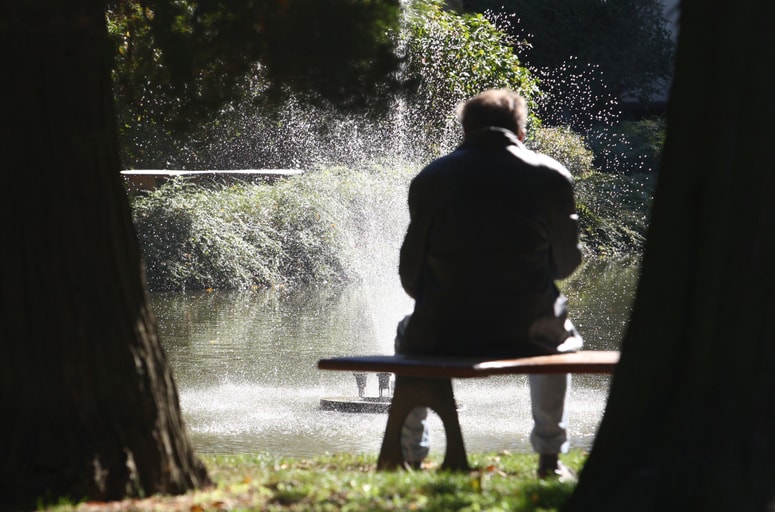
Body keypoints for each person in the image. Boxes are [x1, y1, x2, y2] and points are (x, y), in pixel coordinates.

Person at [395, 88, 583, 480]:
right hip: (529, 331)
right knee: (560, 339)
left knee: (408, 334)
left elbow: (410, 273)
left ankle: (409, 454)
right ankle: (549, 458)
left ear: (466, 130)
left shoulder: (432, 178)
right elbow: (566, 264)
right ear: (521, 131)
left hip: (444, 330)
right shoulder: (550, 176)